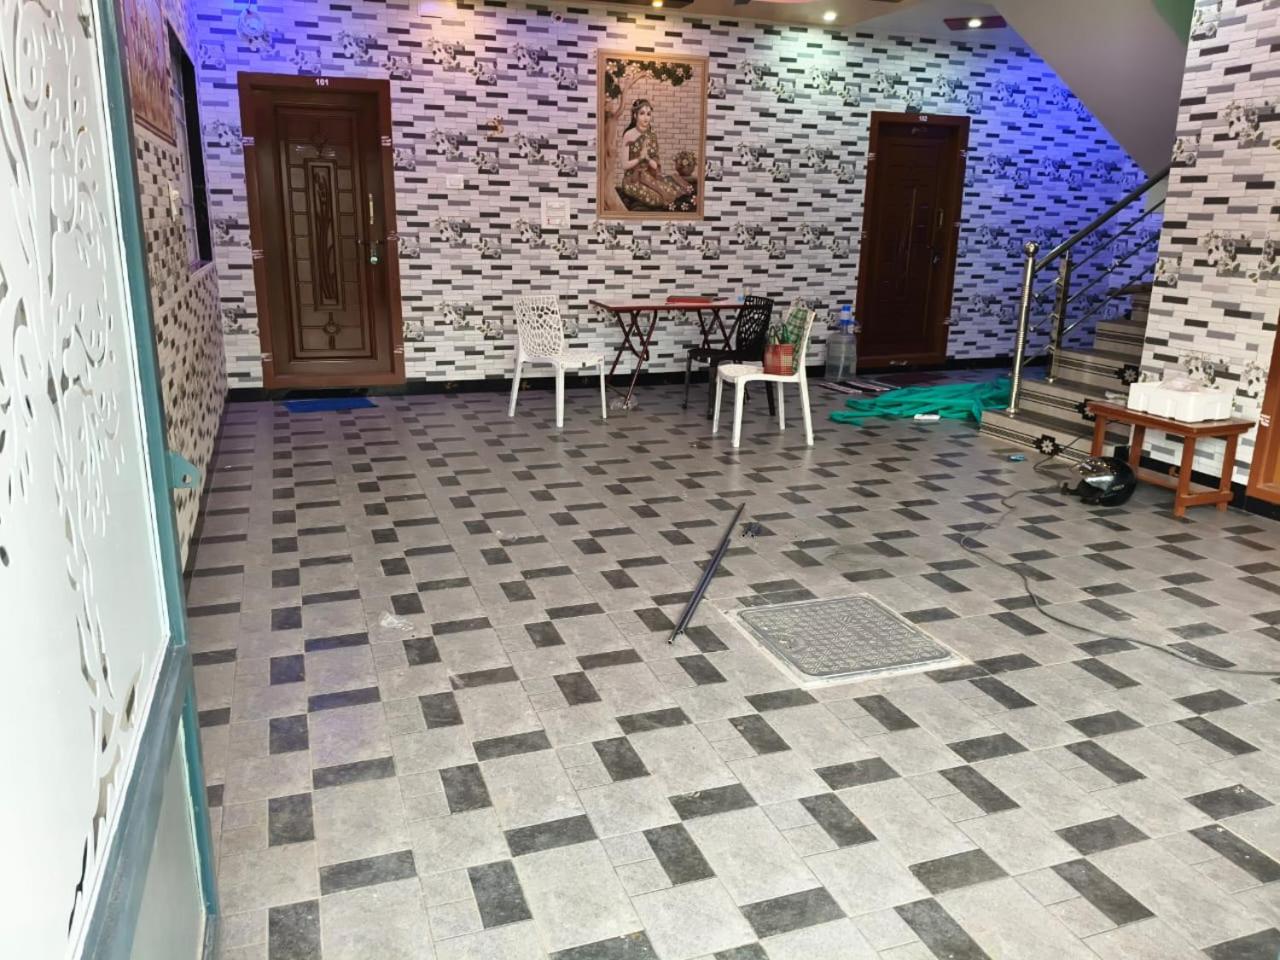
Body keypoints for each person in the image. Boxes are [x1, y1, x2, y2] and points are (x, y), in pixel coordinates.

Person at [619, 99, 693, 210]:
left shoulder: (651, 134)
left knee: (672, 190)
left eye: (648, 114)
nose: (646, 118)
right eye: (642, 113)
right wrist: (640, 158)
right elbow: (624, 165)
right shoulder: (629, 135)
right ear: (635, 115)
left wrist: (647, 158)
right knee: (658, 200)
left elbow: (655, 166)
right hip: (632, 180)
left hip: (649, 176)